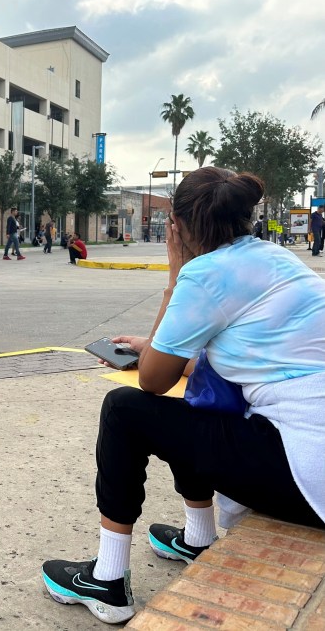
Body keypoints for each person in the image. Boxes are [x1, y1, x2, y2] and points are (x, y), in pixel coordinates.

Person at [41, 167, 325, 625]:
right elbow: (234, 364)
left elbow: (153, 380)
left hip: (307, 474)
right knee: (191, 406)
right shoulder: (275, 261)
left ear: (179, 224)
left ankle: (108, 581)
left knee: (127, 410)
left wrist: (176, 276)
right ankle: (198, 540)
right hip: (306, 449)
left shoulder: (205, 274)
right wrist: (149, 348)